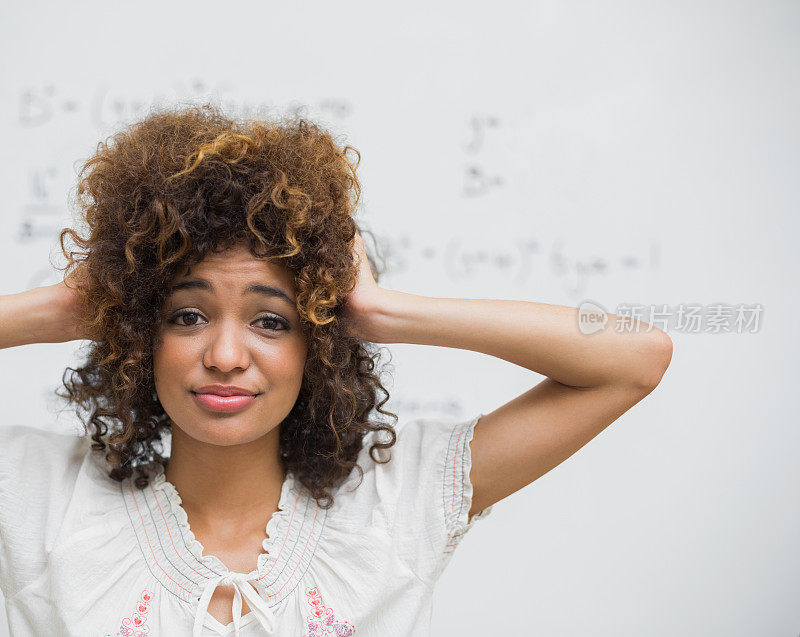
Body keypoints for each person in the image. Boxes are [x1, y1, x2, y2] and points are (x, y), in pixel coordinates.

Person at [0, 104, 672, 637]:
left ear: (318, 339)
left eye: (271, 320)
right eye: (186, 316)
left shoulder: (395, 504)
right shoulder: (41, 502)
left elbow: (634, 360)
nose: (228, 356)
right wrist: (61, 307)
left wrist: (381, 309)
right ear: (138, 335)